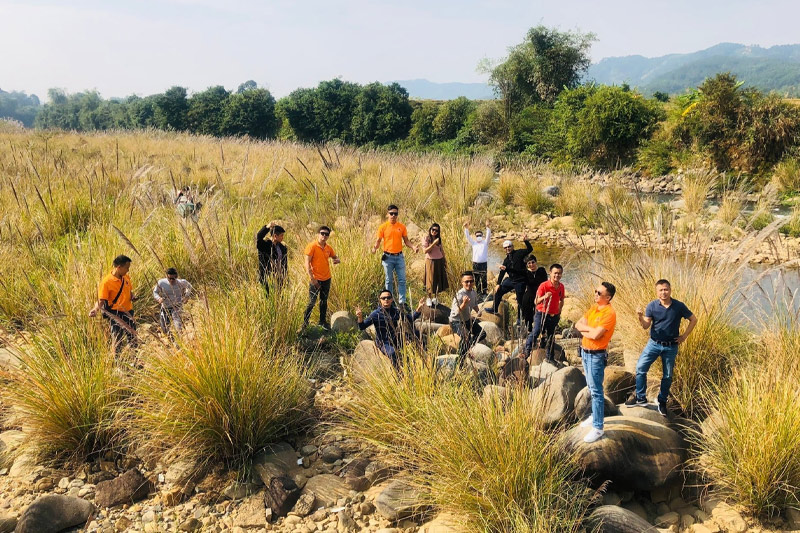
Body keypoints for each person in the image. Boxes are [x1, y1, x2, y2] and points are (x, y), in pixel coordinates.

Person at [625, 279, 698, 416]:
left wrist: (684, 336)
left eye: (666, 289)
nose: (664, 292)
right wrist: (640, 317)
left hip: (671, 346)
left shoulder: (679, 306)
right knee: (640, 368)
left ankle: (662, 401)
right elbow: (646, 326)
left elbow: (693, 319)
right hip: (654, 344)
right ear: (657, 292)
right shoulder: (652, 306)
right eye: (661, 290)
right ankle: (641, 397)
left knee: (668, 376)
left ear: (670, 290)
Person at [575, 281, 617, 444]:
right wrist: (589, 330)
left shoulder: (609, 313)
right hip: (585, 353)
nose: (595, 294)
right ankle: (594, 416)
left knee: (597, 391)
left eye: (599, 293)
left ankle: (598, 427)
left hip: (596, 355)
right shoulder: (594, 308)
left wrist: (588, 331)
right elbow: (578, 324)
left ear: (608, 297)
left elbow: (596, 335)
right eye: (595, 291)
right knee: (591, 389)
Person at [356, 291, 426, 368]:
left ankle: (425, 358)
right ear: (380, 300)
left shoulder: (396, 311)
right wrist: (360, 317)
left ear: (392, 299)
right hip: (383, 342)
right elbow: (362, 326)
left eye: (388, 297)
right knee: (393, 353)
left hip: (395, 338)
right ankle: (400, 373)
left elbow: (410, 318)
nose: (386, 299)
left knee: (417, 334)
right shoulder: (376, 314)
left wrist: (418, 309)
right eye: (383, 298)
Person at [371, 205, 419, 307]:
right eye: (391, 213)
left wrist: (413, 247)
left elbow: (406, 241)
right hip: (388, 257)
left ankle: (402, 302)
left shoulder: (401, 227)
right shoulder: (383, 227)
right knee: (389, 280)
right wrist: (375, 248)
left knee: (402, 280)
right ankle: (388, 301)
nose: (393, 215)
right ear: (387, 214)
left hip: (399, 257)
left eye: (395, 214)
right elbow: (378, 241)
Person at [89, 254, 137, 352]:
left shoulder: (126, 277)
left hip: (128, 312)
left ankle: (135, 360)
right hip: (116, 314)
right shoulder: (106, 282)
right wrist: (95, 309)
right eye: (127, 268)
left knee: (133, 337)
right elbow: (101, 300)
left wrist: (132, 296)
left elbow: (129, 291)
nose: (128, 270)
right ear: (119, 267)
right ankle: (118, 363)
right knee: (117, 340)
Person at [523, 263, 565, 362]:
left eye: (559, 274)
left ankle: (550, 357)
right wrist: (544, 297)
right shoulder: (544, 286)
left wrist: (560, 309)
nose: (557, 276)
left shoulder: (561, 286)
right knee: (536, 331)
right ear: (550, 273)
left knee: (551, 336)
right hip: (541, 313)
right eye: (555, 273)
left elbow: (562, 299)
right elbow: (536, 301)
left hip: (553, 315)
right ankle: (526, 351)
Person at [302, 226, 340, 330]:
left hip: (327, 278)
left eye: (326, 234)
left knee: (324, 301)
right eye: (322, 233)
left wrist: (337, 259)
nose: (324, 236)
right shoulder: (312, 246)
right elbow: (307, 263)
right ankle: (305, 323)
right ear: (318, 234)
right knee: (312, 302)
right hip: (315, 279)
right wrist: (312, 279)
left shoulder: (328, 248)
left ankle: (322, 322)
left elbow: (335, 256)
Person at [493, 235, 532, 323]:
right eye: (505, 247)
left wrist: (526, 241)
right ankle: (494, 309)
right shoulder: (506, 260)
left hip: (520, 280)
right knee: (498, 291)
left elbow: (530, 249)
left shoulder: (519, 253)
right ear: (504, 249)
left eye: (509, 246)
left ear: (513, 247)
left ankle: (520, 317)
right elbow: (502, 272)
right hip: (511, 280)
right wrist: (498, 283)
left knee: (520, 300)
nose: (508, 249)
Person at [449, 271, 486, 364]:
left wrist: (478, 311)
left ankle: (465, 350)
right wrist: (464, 304)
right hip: (456, 321)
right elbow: (456, 312)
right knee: (466, 337)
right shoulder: (459, 295)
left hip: (466, 320)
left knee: (482, 334)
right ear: (462, 283)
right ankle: (460, 359)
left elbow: (474, 304)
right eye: (466, 282)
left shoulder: (473, 292)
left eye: (471, 281)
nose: (469, 284)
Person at [152, 267, 193, 339]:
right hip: (165, 307)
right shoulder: (161, 282)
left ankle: (178, 340)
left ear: (176, 277)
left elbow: (189, 287)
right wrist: (159, 298)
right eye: (169, 278)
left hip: (177, 306)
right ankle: (171, 339)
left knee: (177, 325)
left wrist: (186, 296)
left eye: (173, 278)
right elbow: (155, 292)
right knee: (164, 327)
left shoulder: (181, 282)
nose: (171, 280)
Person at [256, 222, 288, 295]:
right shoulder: (264, 246)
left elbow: (284, 263)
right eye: (281, 235)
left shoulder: (282, 248)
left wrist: (285, 276)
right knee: (268, 297)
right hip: (267, 277)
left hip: (279, 278)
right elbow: (258, 237)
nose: (283, 237)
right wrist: (267, 227)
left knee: (279, 297)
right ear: (275, 236)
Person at [520, 255, 548, 332]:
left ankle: (541, 331)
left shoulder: (541, 270)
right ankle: (529, 331)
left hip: (540, 296)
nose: (531, 264)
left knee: (540, 314)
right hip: (529, 296)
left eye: (533, 262)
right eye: (529, 263)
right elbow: (515, 272)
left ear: (536, 262)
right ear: (527, 265)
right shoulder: (526, 273)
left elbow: (545, 282)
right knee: (528, 315)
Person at [421, 223, 448, 301]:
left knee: (438, 279)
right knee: (430, 279)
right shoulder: (426, 238)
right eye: (433, 229)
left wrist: (445, 260)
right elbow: (425, 251)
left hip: (439, 260)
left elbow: (441, 250)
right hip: (430, 260)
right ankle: (429, 298)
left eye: (436, 230)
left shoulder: (438, 239)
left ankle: (436, 298)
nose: (434, 232)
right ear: (430, 229)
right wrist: (433, 244)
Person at [463, 221, 490, 298]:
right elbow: (467, 236)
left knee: (484, 278)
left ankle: (484, 292)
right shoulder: (474, 243)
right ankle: (478, 293)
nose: (478, 236)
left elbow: (488, 236)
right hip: (475, 264)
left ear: (482, 236)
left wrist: (487, 227)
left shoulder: (485, 243)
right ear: (475, 236)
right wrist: (466, 228)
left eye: (480, 235)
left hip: (483, 263)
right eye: (477, 235)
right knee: (477, 279)